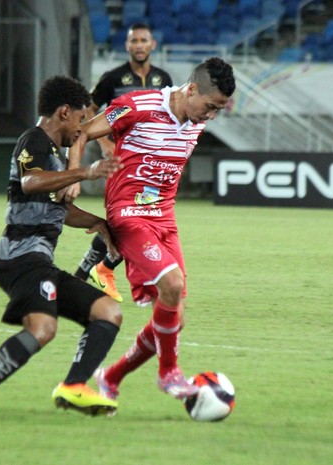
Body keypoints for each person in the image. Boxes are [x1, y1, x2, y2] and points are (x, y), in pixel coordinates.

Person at [0, 75, 124, 428]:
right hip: (20, 258)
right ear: (64, 112)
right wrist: (85, 173)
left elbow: (58, 207)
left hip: (39, 261)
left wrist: (99, 223)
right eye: (81, 117)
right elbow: (31, 183)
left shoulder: (55, 155)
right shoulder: (35, 141)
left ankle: (74, 385)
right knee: (43, 328)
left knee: (107, 312)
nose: (83, 127)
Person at [68, 57, 236, 401]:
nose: (211, 116)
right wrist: (75, 174)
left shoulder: (195, 118)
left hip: (164, 217)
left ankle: (110, 378)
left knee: (176, 318)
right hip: (128, 212)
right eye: (210, 106)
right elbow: (83, 130)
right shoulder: (137, 106)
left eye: (218, 109)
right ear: (191, 90)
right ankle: (168, 373)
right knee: (172, 285)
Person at [72, 22, 173, 304]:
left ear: (152, 45)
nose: (139, 45)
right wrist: (104, 143)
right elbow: (89, 109)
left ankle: (88, 272)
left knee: (132, 222)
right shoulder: (112, 78)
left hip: (151, 164)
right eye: (134, 41)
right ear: (127, 46)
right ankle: (98, 271)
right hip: (122, 162)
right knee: (129, 219)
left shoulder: (163, 79)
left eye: (144, 40)